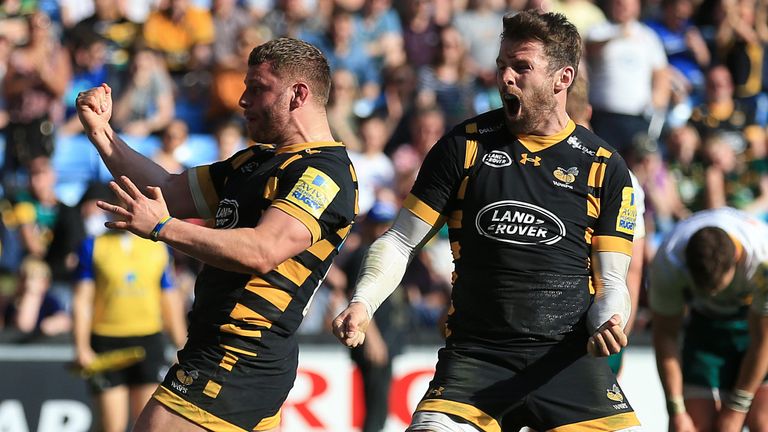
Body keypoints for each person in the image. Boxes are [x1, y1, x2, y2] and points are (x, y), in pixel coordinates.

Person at [334, 11, 642, 431]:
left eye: (522, 67)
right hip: (476, 358)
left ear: (562, 77)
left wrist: (610, 320)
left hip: (567, 362)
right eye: (501, 66)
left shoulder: (605, 166)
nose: (506, 78)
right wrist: (363, 301)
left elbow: (612, 283)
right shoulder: (463, 147)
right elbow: (400, 242)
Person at [75, 37, 358, 432]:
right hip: (226, 353)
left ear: (298, 95)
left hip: (238, 356)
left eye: (257, 89)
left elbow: (263, 250)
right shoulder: (254, 161)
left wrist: (162, 228)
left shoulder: (324, 174)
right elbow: (169, 190)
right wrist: (102, 133)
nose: (242, 100)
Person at [72, 186, 186, 432]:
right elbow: (82, 301)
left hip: (148, 340)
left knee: (147, 425)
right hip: (107, 341)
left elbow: (169, 297)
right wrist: (81, 346)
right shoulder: (93, 246)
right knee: (112, 426)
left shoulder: (158, 246)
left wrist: (181, 344)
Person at [650, 208, 768, 432]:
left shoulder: (764, 258)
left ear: (736, 258)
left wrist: (735, 411)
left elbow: (763, 341)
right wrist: (675, 410)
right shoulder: (668, 260)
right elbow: (665, 334)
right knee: (692, 426)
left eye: (718, 289)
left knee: (763, 423)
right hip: (704, 328)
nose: (713, 296)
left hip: (755, 327)